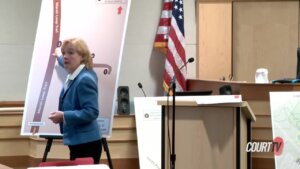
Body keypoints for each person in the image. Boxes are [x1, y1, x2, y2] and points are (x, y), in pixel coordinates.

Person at [48, 38, 102, 164]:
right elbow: (64, 61)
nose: (65, 56)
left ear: (82, 56)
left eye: (70, 53)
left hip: (86, 144)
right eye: (64, 53)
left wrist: (63, 116)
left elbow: (91, 112)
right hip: (79, 141)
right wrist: (58, 55)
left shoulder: (84, 79)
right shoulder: (78, 71)